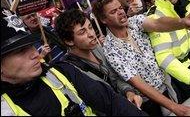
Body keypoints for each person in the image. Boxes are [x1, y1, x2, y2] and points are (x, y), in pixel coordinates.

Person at [0, 7, 148, 116]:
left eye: (32, 45)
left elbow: (111, 101)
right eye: (20, 51)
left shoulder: (63, 72)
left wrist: (127, 91)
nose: (34, 53)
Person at [92, 0, 190, 116]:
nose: (120, 12)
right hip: (149, 102)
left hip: (168, 86)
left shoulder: (135, 22)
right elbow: (138, 83)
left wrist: (182, 22)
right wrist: (175, 108)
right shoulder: (110, 49)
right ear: (103, 19)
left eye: (120, 8)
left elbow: (158, 23)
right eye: (113, 11)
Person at [54, 8, 143, 109]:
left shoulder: (97, 48)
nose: (91, 34)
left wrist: (129, 92)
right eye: (82, 32)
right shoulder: (72, 71)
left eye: (90, 27)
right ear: (69, 41)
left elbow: (115, 76)